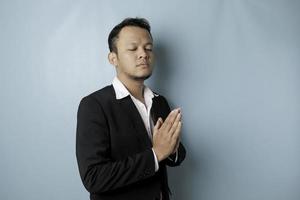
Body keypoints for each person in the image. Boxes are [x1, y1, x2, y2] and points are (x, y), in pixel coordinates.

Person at [76, 17, 186, 200]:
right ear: (113, 58)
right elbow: (94, 177)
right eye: (133, 48)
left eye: (148, 48)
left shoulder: (160, 102)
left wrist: (172, 149)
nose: (143, 54)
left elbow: (176, 155)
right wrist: (156, 153)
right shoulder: (94, 105)